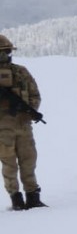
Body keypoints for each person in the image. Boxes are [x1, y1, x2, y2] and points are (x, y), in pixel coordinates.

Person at [0, 34, 45, 210]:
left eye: (7, 52)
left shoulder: (21, 72)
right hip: (2, 128)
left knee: (29, 161)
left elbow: (35, 95)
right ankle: (16, 199)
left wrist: (28, 109)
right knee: (9, 164)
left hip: (23, 124)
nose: (5, 56)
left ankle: (33, 196)